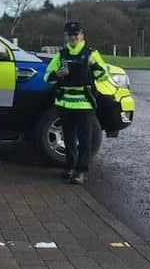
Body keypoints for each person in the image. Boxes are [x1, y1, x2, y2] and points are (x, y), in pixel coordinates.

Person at [44, 21, 108, 185]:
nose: (73, 37)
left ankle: (81, 171)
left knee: (85, 139)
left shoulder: (91, 54)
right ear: (66, 36)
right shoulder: (61, 54)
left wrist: (93, 67)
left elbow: (104, 76)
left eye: (76, 34)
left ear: (82, 35)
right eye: (70, 35)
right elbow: (47, 77)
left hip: (84, 104)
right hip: (65, 104)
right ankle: (70, 168)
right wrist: (58, 74)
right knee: (69, 139)